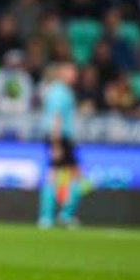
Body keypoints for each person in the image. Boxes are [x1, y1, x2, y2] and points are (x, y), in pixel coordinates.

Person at [38, 62, 83, 228]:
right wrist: (56, 144)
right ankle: (57, 215)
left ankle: (51, 216)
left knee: (59, 175)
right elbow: (56, 117)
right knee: (67, 175)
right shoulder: (59, 91)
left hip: (60, 138)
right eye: (70, 70)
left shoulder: (59, 90)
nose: (74, 74)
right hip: (59, 137)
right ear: (61, 72)